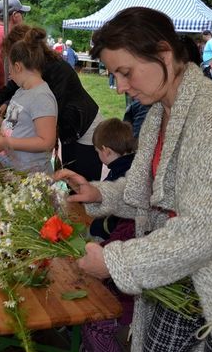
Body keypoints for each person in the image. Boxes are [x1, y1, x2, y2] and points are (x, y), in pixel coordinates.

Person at [55, 7, 212, 352]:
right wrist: (99, 194)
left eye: (126, 72)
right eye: (115, 75)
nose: (121, 87)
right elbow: (150, 194)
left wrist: (116, 262)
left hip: (209, 288)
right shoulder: (160, 111)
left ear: (163, 52)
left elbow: (206, 228)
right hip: (171, 270)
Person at [0, 24, 103, 181]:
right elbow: (13, 89)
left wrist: (9, 141)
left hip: (83, 128)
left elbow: (45, 131)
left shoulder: (52, 75)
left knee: (79, 182)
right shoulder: (29, 77)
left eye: (10, 63)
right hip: (69, 129)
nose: (9, 71)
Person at [82, 118, 136, 352]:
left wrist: (96, 231)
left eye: (97, 152)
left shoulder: (118, 174)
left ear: (105, 151)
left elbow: (111, 216)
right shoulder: (134, 164)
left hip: (114, 240)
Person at [0, 27, 57, 174]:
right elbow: (11, 126)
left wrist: (6, 143)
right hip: (14, 171)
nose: (9, 73)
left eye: (9, 67)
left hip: (31, 177)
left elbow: (46, 142)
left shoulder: (42, 97)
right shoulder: (20, 92)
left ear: (17, 66)